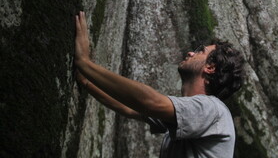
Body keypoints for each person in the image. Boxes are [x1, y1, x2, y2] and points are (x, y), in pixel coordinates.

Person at [75, 11, 245, 157]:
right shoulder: (192, 116)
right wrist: (87, 82)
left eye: (200, 51)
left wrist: (85, 63)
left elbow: (150, 102)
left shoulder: (213, 110)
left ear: (210, 67)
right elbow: (129, 107)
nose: (191, 52)